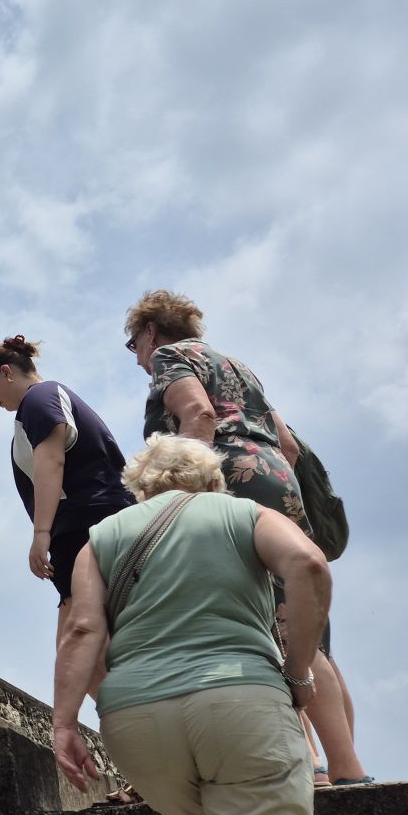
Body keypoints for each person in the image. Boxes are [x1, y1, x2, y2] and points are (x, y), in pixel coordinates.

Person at [53, 434, 331, 815]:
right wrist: (298, 671)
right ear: (212, 479)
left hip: (137, 722)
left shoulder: (100, 538)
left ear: (140, 488)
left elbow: (81, 628)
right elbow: (308, 564)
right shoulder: (242, 514)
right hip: (240, 705)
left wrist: (64, 724)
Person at [124, 290, 369, 787]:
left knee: (265, 620)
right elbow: (288, 445)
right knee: (302, 623)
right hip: (278, 480)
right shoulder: (237, 366)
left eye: (133, 345)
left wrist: (189, 492)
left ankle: (321, 766)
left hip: (228, 481)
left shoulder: (171, 357)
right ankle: (339, 764)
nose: (137, 358)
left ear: (150, 331)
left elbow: (199, 415)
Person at [0, 335, 134, 648]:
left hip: (87, 525)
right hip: (85, 525)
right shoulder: (37, 405)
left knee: (79, 641)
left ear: (6, 372)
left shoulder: (39, 397)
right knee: (80, 641)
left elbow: (51, 463)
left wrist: (41, 534)